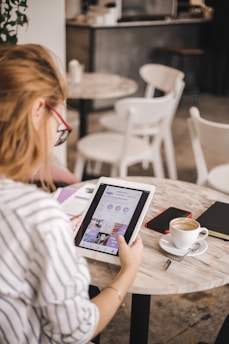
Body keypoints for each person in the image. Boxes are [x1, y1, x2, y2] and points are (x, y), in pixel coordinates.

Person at [0, 44, 143, 343]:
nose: (55, 139)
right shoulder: (37, 215)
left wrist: (49, 236)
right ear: (39, 109)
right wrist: (128, 272)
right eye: (60, 126)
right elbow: (75, 331)